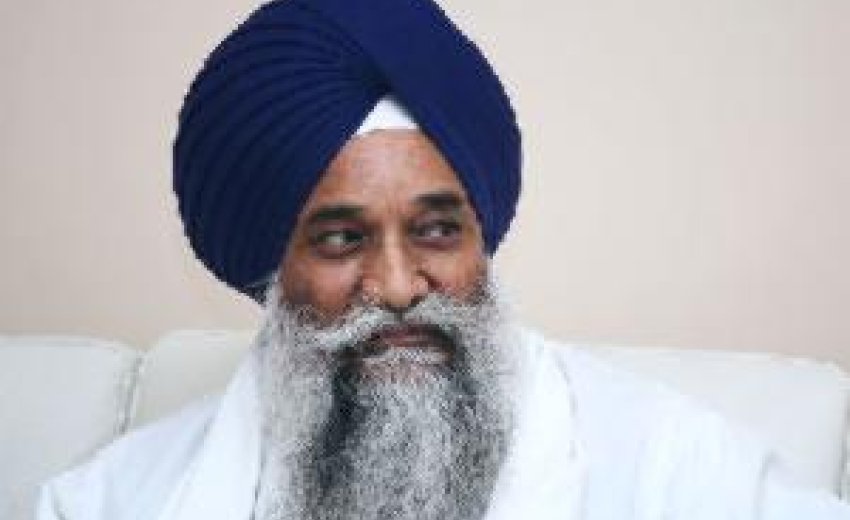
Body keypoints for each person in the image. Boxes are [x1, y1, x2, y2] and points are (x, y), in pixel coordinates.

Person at [38, 0, 850, 519]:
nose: (397, 288)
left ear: (479, 238)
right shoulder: (112, 500)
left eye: (434, 231)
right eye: (340, 239)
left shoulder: (675, 466)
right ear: (272, 269)